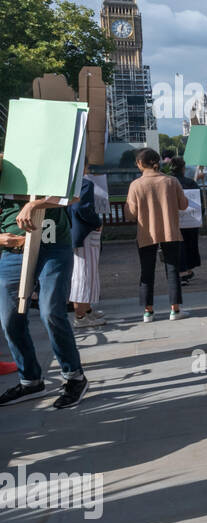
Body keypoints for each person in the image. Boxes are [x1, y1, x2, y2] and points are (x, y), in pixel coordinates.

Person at [0, 156, 89, 408]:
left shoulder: (48, 160)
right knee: (9, 319)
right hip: (13, 253)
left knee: (52, 312)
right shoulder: (4, 174)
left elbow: (72, 195)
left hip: (53, 249)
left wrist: (36, 204)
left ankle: (74, 377)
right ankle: (30, 380)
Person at [125, 148, 188, 322]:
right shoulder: (171, 181)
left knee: (146, 271)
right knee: (173, 270)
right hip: (170, 231)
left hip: (146, 233)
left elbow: (130, 214)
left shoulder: (135, 185)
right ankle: (175, 310)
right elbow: (183, 205)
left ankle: (148, 312)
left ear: (140, 164)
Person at [70, 167, 106, 329]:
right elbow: (81, 208)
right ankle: (80, 316)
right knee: (83, 274)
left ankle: (87, 310)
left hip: (69, 233)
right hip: (83, 233)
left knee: (82, 273)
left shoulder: (63, 183)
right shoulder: (84, 183)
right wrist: (97, 222)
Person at [168, 157, 202, 284]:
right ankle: (186, 270)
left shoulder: (167, 182)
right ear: (183, 168)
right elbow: (199, 202)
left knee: (176, 247)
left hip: (172, 220)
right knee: (189, 245)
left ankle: (180, 271)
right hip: (190, 219)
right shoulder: (190, 183)